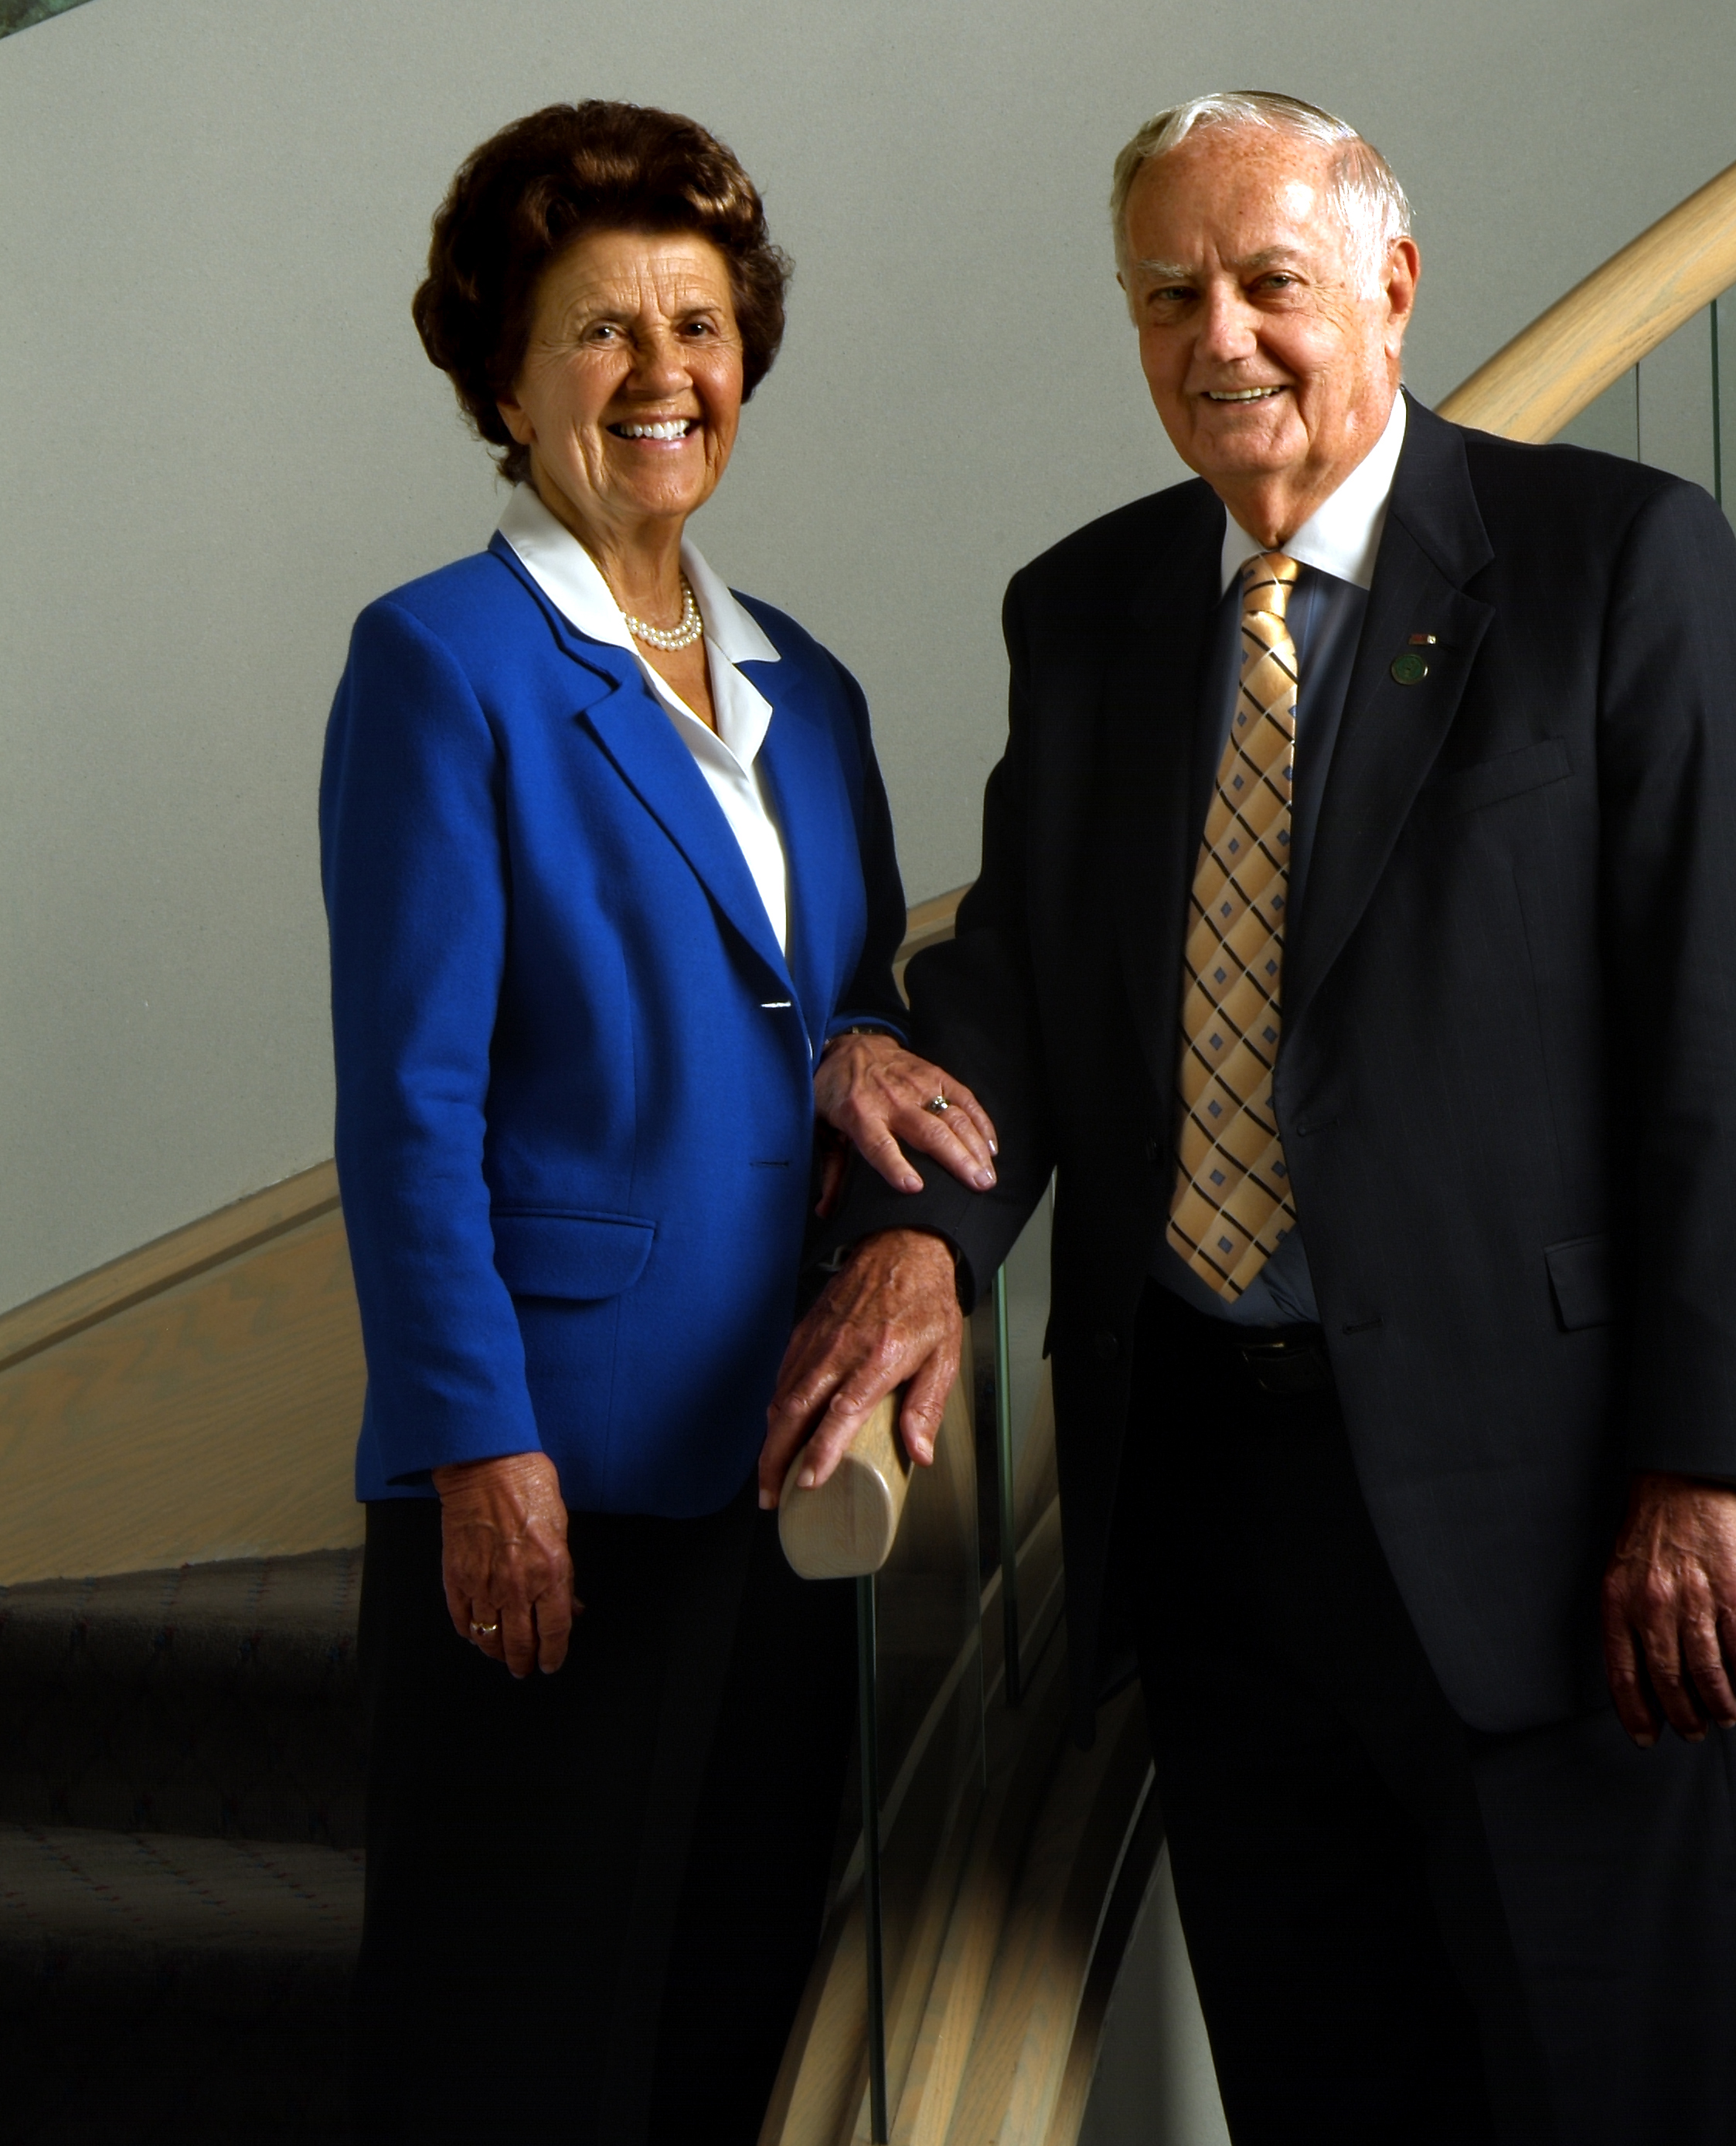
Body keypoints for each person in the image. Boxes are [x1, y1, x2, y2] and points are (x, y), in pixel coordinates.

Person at [763, 90, 1736, 2144]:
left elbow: (1734, 1050)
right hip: (1218, 1538)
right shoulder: (1085, 619)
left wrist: (1712, 1462)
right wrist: (916, 1239)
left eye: (1272, 283)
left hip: (1573, 1546)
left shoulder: (1617, 563)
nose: (1220, 336)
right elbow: (1024, 993)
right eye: (1170, 295)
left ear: (1394, 291)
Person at [320, 100, 996, 2144]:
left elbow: (821, 999)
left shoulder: (815, 688)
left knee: (730, 2008)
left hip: (786, 1468)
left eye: (695, 326)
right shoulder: (441, 664)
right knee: (512, 2036)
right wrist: (478, 1444)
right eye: (600, 330)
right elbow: (409, 1096)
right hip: (561, 1474)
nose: (659, 377)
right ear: (504, 378)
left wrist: (862, 1043)